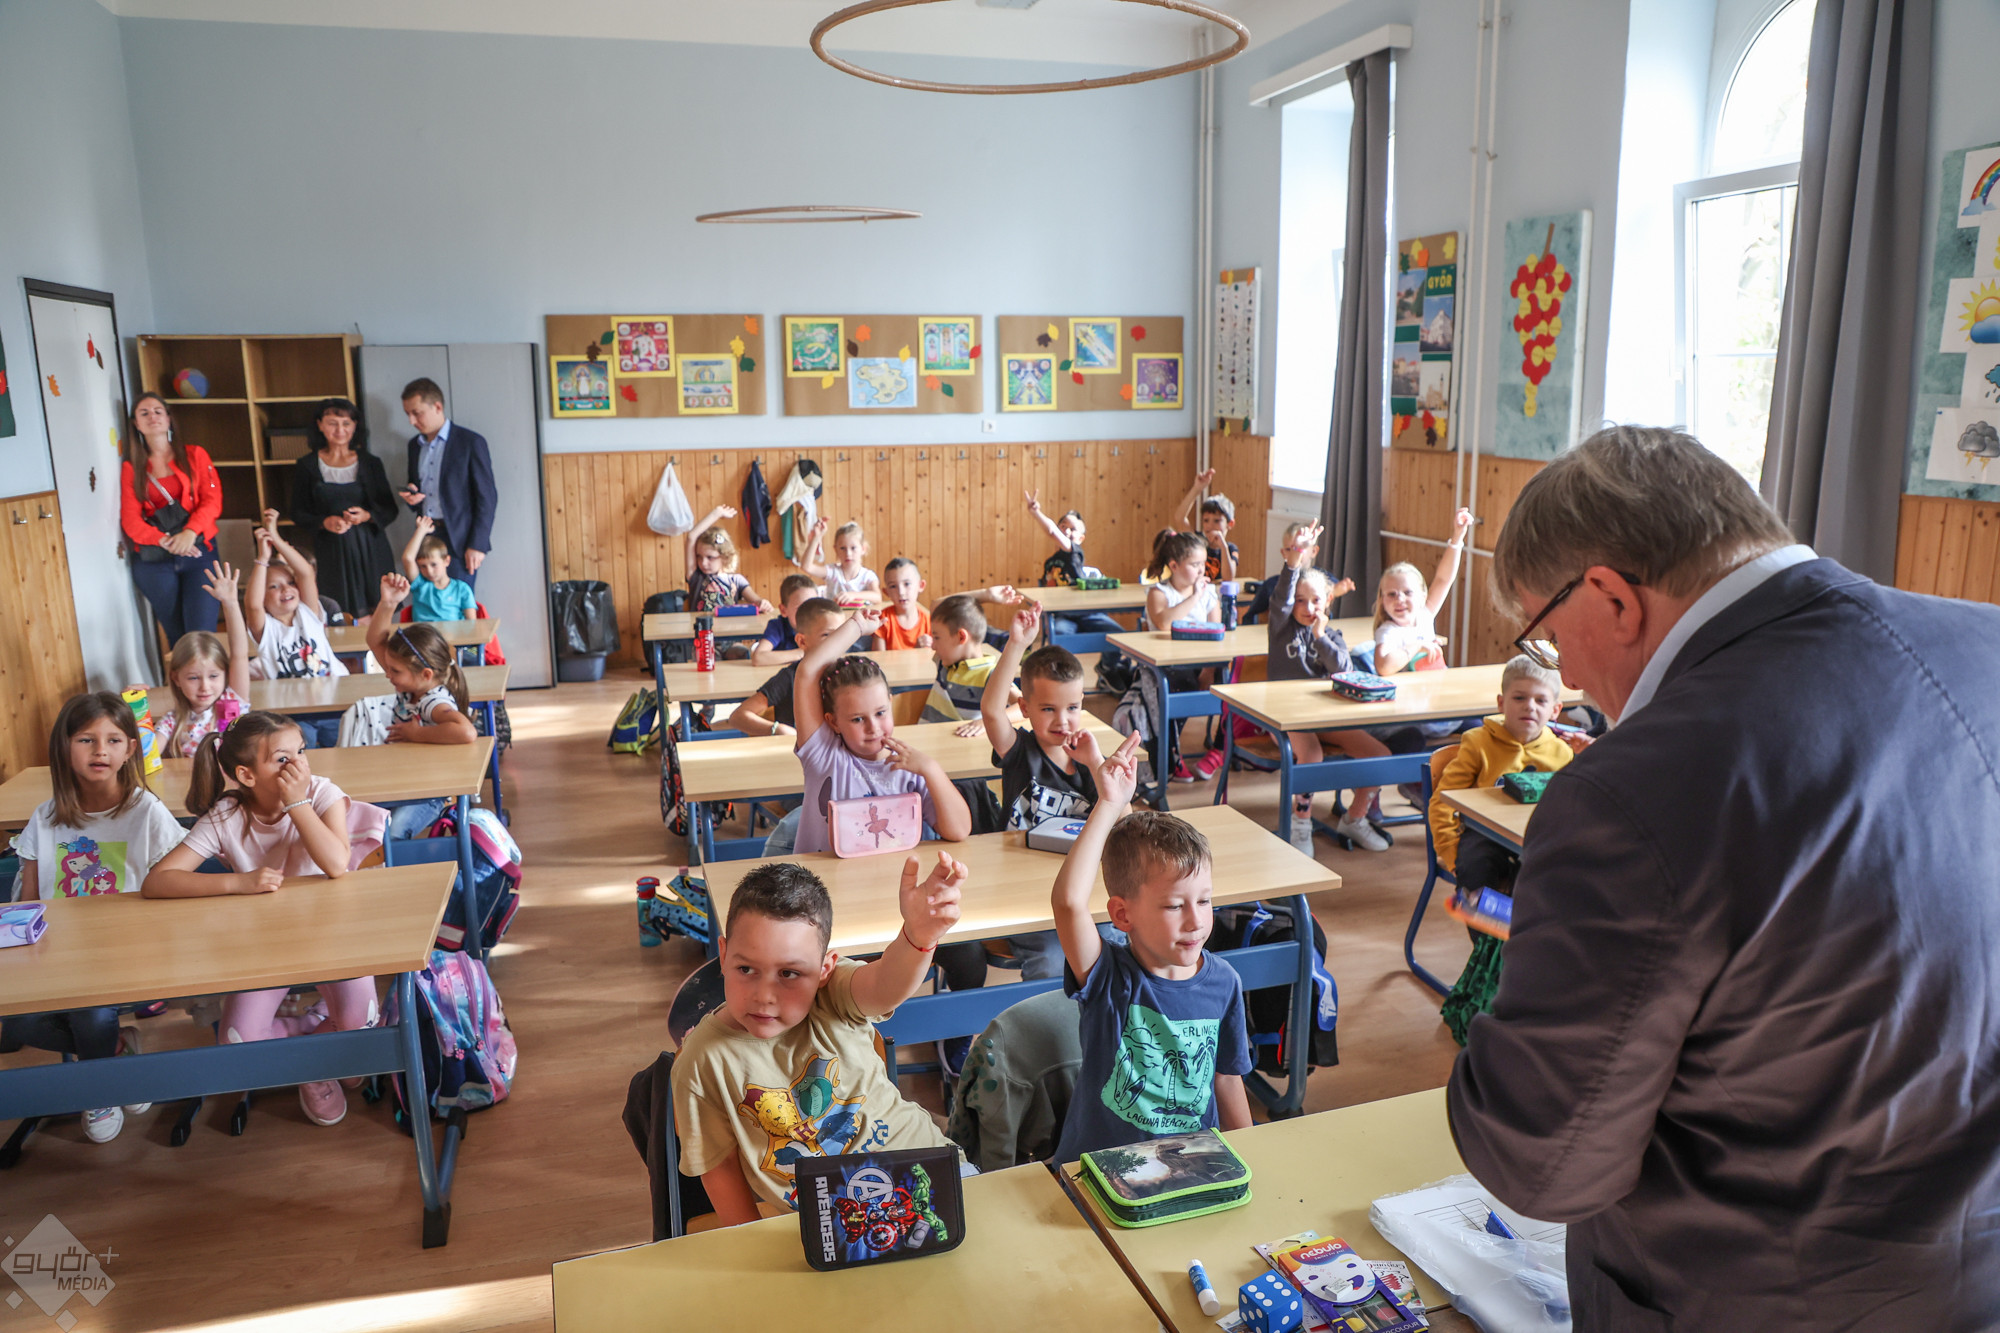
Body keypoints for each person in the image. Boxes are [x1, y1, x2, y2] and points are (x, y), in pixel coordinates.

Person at [1448, 425, 2000, 1329]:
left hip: (1753, 1294)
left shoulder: (1634, 788)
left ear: (1610, 595)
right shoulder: (1987, 646)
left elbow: (1543, 1164)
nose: (1566, 676)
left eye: (1545, 638)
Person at [670, 855, 969, 1222]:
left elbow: (884, 985)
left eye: (789, 974)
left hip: (927, 1168)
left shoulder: (834, 994)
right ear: (723, 954)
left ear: (825, 969)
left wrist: (917, 938)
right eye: (746, 969)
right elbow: (720, 1167)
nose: (764, 995)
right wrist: (751, 1243)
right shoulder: (701, 1061)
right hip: (833, 1220)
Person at [144, 711, 386, 1128]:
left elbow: (336, 864)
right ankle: (316, 1048)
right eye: (282, 759)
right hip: (265, 946)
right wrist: (238, 882)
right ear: (247, 775)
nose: (299, 766)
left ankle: (313, 1058)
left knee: (361, 1024)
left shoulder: (321, 793)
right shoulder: (227, 815)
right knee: (237, 1045)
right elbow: (158, 881)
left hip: (333, 937)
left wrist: (297, 803)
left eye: (301, 752)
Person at [1049, 734, 1254, 1161]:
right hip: (1103, 1170)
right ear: (1122, 916)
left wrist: (1253, 1158)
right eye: (1174, 906)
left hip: (1194, 1167)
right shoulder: (1108, 978)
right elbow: (1068, 902)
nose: (1196, 921)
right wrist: (1109, 803)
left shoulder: (1225, 982)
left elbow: (1226, 1080)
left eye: (1204, 901)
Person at [2, 693, 187, 1142]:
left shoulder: (146, 812)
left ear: (130, 750)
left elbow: (177, 882)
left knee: (90, 1012)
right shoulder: (46, 817)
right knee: (19, 1022)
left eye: (113, 740)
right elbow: (29, 901)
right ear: (64, 747)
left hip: (127, 953)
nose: (100, 750)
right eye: (86, 739)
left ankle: (98, 1088)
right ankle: (116, 1056)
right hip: (61, 955)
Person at [1427, 654, 1587, 1043]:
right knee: (1479, 873)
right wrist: (1450, 853)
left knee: (1554, 886)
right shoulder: (1477, 743)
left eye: (1540, 700)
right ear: (1501, 703)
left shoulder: (1562, 753)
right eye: (1519, 698)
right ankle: (1488, 959)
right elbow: (1443, 803)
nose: (1529, 707)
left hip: (1533, 841)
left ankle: (1523, 970)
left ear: (1555, 709)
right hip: (1482, 838)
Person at [979, 601, 1125, 979]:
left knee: (1118, 948)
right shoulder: (1019, 752)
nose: (1062, 720)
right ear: (1025, 707)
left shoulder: (1091, 762)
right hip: (1026, 894)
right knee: (1048, 963)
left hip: (1086, 894)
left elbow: (1124, 825)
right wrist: (1017, 644)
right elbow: (992, 711)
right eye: (1048, 709)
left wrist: (1097, 763)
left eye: (1072, 707)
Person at [789, 606, 971, 856]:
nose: (873, 728)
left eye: (881, 713)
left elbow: (959, 830)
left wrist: (931, 769)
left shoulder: (910, 767)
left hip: (893, 879)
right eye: (857, 719)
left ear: (890, 703)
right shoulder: (823, 755)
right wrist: (857, 626)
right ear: (833, 722)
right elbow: (807, 672)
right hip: (823, 881)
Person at [1264, 521, 1386, 853]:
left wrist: (1320, 637)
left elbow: (1344, 672)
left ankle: (1354, 818)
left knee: (1379, 756)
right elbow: (1281, 596)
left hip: (1324, 715)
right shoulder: (1281, 627)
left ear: (1328, 601)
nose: (1307, 609)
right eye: (1300, 601)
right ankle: (1300, 822)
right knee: (1312, 754)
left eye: (1315, 601)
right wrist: (1295, 557)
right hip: (1286, 715)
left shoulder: (1330, 635)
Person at [366, 575, 479, 838]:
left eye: (394, 671)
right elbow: (375, 641)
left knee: (392, 833)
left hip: (430, 792)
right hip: (403, 779)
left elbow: (466, 732)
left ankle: (396, 863)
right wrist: (388, 603)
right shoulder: (412, 685)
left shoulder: (432, 701)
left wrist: (416, 734)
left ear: (426, 674)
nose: (387, 674)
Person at [120, 392, 223, 645]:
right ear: (136, 424)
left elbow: (212, 500)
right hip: (155, 560)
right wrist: (166, 541)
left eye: (158, 411)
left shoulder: (195, 455)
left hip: (199, 551)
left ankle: (212, 675)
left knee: (202, 636)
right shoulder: (131, 468)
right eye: (144, 413)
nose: (152, 417)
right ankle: (175, 673)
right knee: (178, 640)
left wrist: (189, 533)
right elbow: (130, 520)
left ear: (168, 418)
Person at [290, 397, 398, 618]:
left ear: (355, 426)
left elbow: (390, 509)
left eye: (346, 423)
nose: (340, 430)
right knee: (338, 615)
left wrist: (367, 515)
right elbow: (297, 512)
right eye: (332, 423)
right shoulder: (307, 465)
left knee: (378, 613)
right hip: (331, 552)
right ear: (320, 425)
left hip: (370, 549)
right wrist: (324, 522)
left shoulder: (371, 463)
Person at [245, 511, 345, 744]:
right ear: (263, 596)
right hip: (292, 713)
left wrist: (276, 537)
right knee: (302, 754)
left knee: (343, 749)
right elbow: (252, 604)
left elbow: (306, 573)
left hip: (333, 702)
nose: (286, 589)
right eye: (274, 587)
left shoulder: (308, 612)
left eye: (290, 583)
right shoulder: (266, 629)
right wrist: (262, 558)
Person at [1143, 531, 1227, 783]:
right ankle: (1170, 755)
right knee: (1179, 686)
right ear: (1174, 566)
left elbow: (1216, 632)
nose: (1202, 570)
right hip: (1166, 665)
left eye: (1203, 564)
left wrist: (1209, 671)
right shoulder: (1159, 592)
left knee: (1233, 684)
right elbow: (1163, 623)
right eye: (1194, 564)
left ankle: (1219, 750)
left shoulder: (1209, 593)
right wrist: (1195, 597)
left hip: (1201, 663)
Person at [397, 378, 496, 589]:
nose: (412, 421)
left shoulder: (470, 442)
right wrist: (412, 497)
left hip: (459, 539)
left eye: (417, 413)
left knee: (457, 602)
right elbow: (417, 489)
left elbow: (487, 497)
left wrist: (477, 544)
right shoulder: (414, 446)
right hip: (425, 536)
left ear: (437, 407)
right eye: (408, 414)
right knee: (426, 601)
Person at [1023, 490, 1128, 678]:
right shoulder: (1050, 563)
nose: (1066, 531)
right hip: (1062, 616)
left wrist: (1036, 513)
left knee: (1119, 635)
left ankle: (1107, 668)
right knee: (1061, 637)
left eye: (1073, 529)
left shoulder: (1075, 553)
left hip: (1087, 613)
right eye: (1063, 526)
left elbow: (1051, 531)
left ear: (1080, 539)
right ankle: (1063, 679)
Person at [153, 562, 251, 758]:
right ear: (176, 678)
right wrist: (134, 707)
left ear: (225, 674)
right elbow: (148, 756)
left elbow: (239, 654)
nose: (205, 687)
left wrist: (231, 603)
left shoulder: (233, 702)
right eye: (193, 678)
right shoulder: (172, 721)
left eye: (213, 676)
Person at [1371, 507, 1474, 675]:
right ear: (1382, 600)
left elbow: (1444, 579)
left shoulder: (1424, 616)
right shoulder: (1388, 632)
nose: (1400, 599)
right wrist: (1417, 645)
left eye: (1408, 592)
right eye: (1391, 594)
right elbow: (1383, 667)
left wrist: (1457, 537)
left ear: (1422, 596)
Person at [727, 599, 845, 739]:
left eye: (842, 634)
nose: (836, 642)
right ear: (802, 641)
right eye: (826, 635)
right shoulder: (790, 677)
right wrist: (777, 729)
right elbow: (738, 717)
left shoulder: (847, 673)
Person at [400, 517, 478, 623]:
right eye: (423, 566)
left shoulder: (462, 589)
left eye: (434, 565)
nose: (429, 571)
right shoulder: (420, 585)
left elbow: (471, 624)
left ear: (447, 561)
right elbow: (407, 558)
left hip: (454, 633)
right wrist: (421, 531)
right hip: (423, 633)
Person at [1173, 467, 1238, 582]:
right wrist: (1197, 489)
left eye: (1216, 521)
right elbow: (1180, 518)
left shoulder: (1230, 548)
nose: (1210, 525)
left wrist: (1223, 547)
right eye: (1206, 520)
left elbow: (1228, 578)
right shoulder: (1196, 541)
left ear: (1230, 524)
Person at [796, 517, 880, 602]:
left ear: (863, 549)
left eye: (853, 548)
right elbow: (806, 567)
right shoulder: (832, 572)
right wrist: (816, 537)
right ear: (836, 549)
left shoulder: (868, 576)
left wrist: (854, 595)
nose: (848, 553)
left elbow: (877, 597)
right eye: (843, 548)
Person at [748, 574, 820, 667]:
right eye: (800, 608)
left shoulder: (821, 627)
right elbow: (758, 658)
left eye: (813, 607)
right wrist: (802, 653)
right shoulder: (777, 627)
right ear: (783, 610)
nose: (808, 613)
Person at [877, 557, 933, 651]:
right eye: (893, 586)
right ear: (886, 592)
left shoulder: (930, 622)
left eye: (907, 584)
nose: (901, 592)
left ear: (921, 586)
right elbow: (877, 658)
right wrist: (915, 650)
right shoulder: (883, 619)